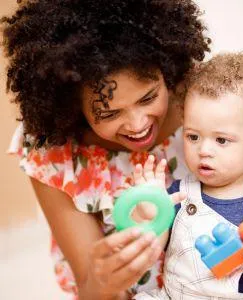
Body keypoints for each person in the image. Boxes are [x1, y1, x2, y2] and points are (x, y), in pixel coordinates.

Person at [1, 0, 210, 299]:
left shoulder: (201, 100)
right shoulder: (51, 150)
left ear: (166, 72)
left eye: (148, 97)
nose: (138, 125)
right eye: (110, 114)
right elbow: (90, 286)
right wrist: (105, 280)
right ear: (73, 108)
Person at [133, 52, 243, 299]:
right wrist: (150, 216)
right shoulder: (178, 195)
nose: (204, 150)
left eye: (221, 140)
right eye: (193, 137)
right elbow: (146, 259)